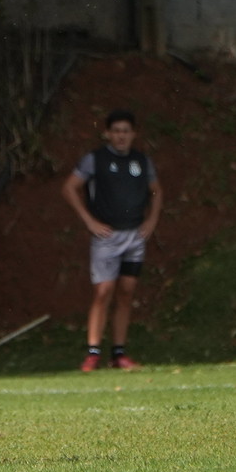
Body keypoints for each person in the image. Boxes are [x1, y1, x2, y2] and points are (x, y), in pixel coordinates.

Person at [60, 108, 162, 372]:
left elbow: (156, 191)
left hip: (134, 236)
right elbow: (69, 187)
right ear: (107, 133)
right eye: (116, 131)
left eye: (125, 131)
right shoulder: (95, 160)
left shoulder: (141, 161)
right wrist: (89, 221)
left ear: (133, 134)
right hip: (107, 237)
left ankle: (119, 353)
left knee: (126, 291)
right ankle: (93, 352)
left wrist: (151, 221)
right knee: (103, 291)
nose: (121, 136)